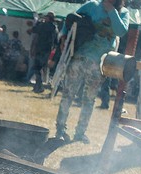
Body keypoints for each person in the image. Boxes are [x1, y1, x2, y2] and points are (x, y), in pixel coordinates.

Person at [55, 0, 129, 144]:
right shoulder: (92, 6)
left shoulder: (124, 12)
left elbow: (121, 31)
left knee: (89, 99)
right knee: (68, 94)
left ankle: (80, 133)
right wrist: (63, 36)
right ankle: (60, 129)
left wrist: (111, 10)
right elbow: (70, 18)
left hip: (101, 63)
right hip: (79, 58)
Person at [26, 11, 57, 93]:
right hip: (48, 50)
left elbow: (35, 29)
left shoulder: (44, 25)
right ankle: (37, 86)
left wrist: (36, 23)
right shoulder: (54, 27)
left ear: (48, 18)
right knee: (40, 68)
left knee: (36, 68)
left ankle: (39, 86)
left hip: (41, 50)